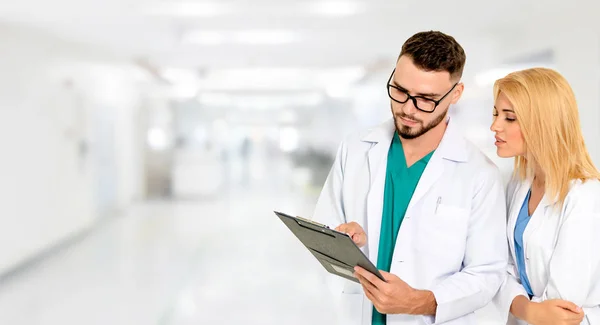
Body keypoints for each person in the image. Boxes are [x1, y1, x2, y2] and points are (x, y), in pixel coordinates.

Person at [311, 30, 508, 325]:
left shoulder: (480, 175)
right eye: (400, 90)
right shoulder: (355, 149)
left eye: (426, 99)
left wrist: (420, 302)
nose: (407, 108)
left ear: (455, 94)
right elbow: (322, 233)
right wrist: (347, 239)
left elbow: (486, 273)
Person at [490, 68, 600, 325]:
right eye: (496, 114)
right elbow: (501, 269)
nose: (494, 126)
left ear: (542, 123)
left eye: (510, 118)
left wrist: (521, 306)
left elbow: (562, 309)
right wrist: (527, 310)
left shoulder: (586, 196)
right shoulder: (518, 183)